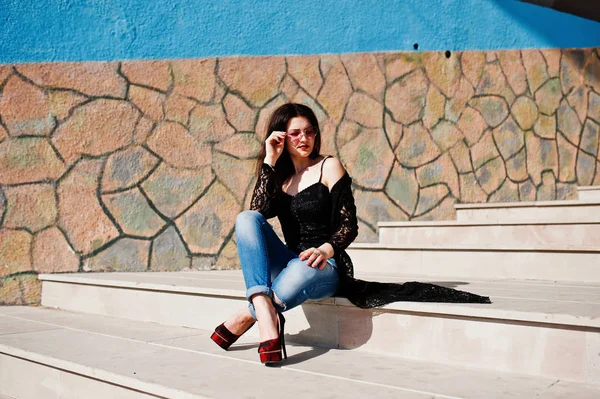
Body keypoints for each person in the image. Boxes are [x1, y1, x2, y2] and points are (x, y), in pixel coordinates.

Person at [210, 103, 490, 365]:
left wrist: (325, 250)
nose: (303, 138)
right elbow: (258, 210)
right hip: (288, 261)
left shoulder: (328, 166)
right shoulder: (280, 177)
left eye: (309, 131)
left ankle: (249, 315)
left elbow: (349, 226)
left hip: (323, 265)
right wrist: (270, 160)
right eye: (294, 133)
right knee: (246, 218)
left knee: (302, 267)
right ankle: (263, 307)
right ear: (282, 137)